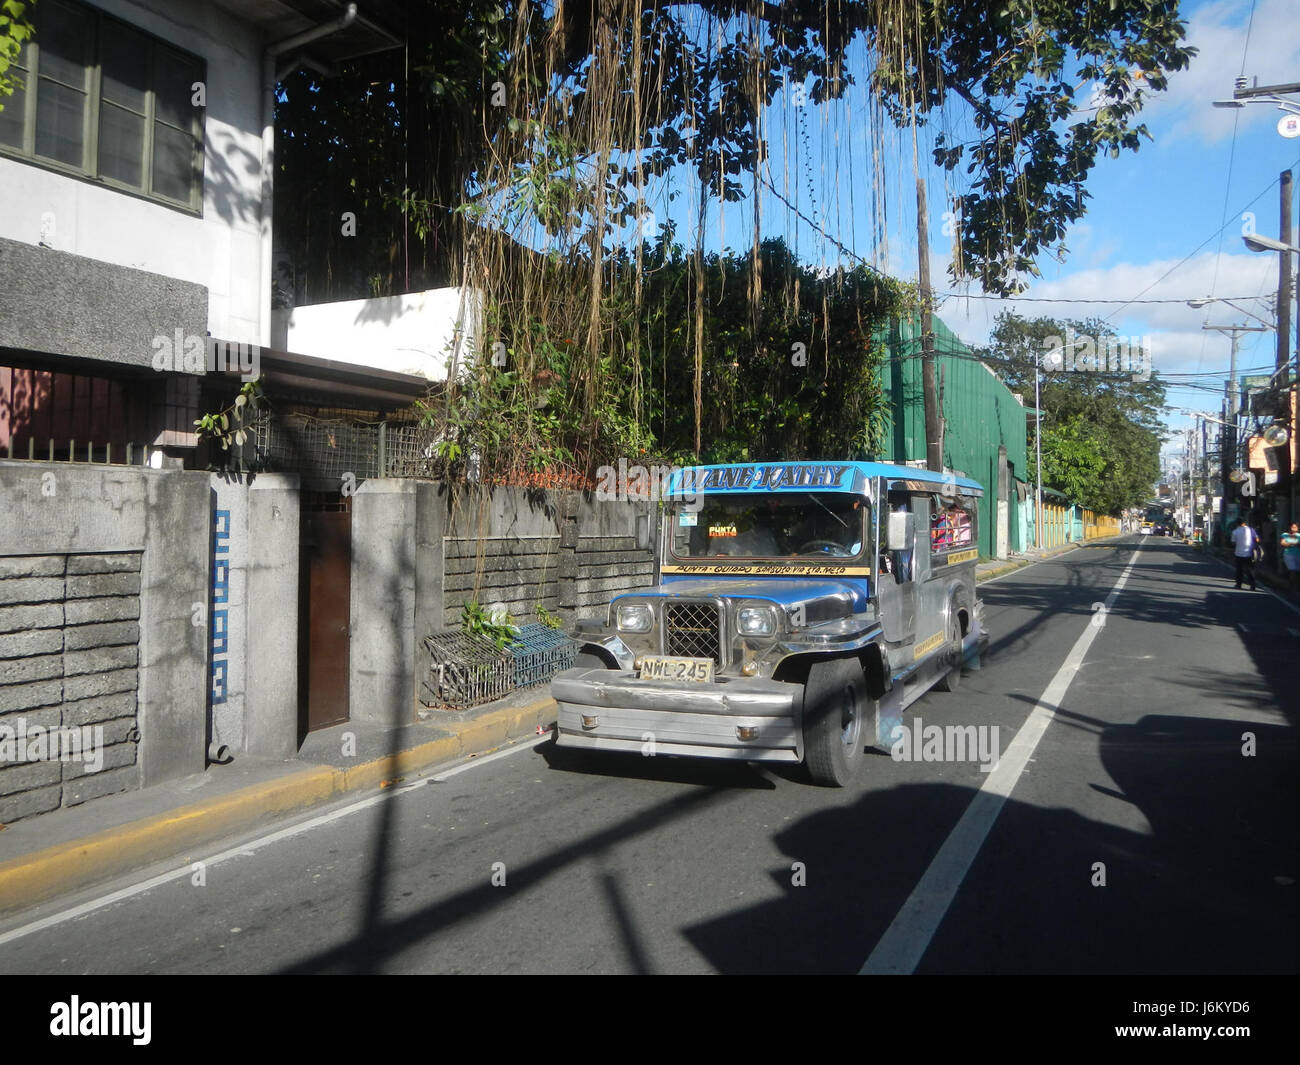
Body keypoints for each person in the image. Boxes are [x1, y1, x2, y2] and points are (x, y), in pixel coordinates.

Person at [1231, 518, 1261, 591]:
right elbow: (1257, 539)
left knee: (1239, 570)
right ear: (1245, 523)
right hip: (1249, 553)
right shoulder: (1251, 530)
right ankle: (1252, 585)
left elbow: (1233, 543)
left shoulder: (1235, 532)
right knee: (1250, 570)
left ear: (1237, 524)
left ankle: (1238, 585)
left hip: (1238, 553)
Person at [1281, 522, 1300, 593]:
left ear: (1297, 528)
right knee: (1293, 570)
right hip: (1288, 554)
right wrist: (1294, 543)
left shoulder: (1299, 535)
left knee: (1297, 571)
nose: (1293, 528)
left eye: (1295, 527)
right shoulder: (1285, 534)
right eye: (1292, 527)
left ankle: (1295, 586)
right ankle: (1291, 586)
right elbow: (1283, 543)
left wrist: (1289, 543)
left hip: (1298, 554)